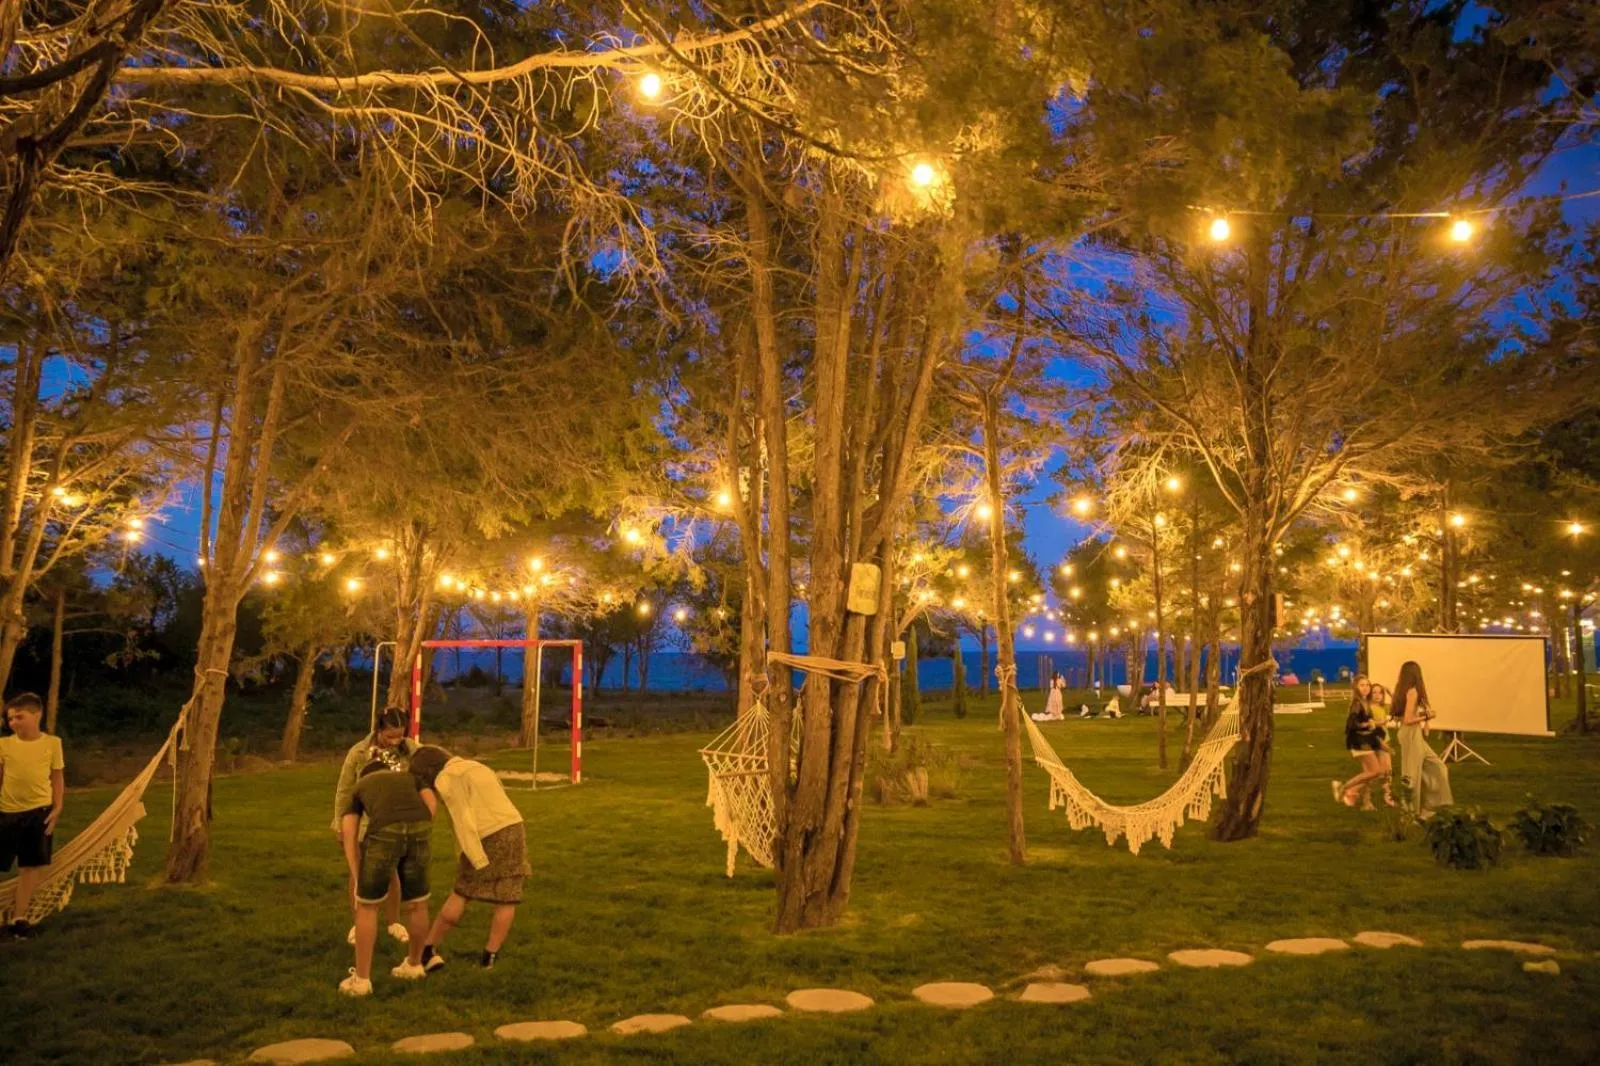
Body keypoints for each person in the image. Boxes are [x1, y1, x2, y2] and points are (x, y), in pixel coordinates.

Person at [408, 746, 529, 971]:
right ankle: (489, 958)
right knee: (507, 896)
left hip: (485, 834)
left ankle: (427, 949)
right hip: (514, 828)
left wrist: (470, 856)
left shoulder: (447, 778)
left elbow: (463, 819)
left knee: (462, 892)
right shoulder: (476, 765)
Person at [338, 761, 435, 996]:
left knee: (367, 907)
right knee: (417, 902)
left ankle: (361, 981)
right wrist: (415, 836)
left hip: (384, 831)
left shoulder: (359, 785)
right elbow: (431, 804)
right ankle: (414, 965)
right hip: (420, 825)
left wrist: (356, 874)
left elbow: (349, 834)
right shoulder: (409, 777)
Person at [332, 707, 419, 946]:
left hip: (391, 822)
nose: (395, 741)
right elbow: (344, 789)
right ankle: (358, 923)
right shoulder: (359, 752)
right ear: (379, 729)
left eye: (399, 735)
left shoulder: (409, 750)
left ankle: (393, 922)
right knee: (358, 872)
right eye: (389, 736)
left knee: (390, 871)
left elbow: (430, 763)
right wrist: (340, 823)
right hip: (361, 822)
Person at [0, 693, 65, 939]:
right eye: (9, 719)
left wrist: (58, 808)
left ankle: (19, 918)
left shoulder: (52, 744)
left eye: (19, 717)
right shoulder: (4, 745)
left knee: (29, 867)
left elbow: (57, 777)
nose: (13, 722)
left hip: (39, 814)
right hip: (7, 813)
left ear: (36, 715)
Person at [1392, 660, 1453, 817]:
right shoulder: (1412, 692)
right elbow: (1407, 720)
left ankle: (1427, 806)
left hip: (1412, 733)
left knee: (1438, 767)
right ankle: (1410, 813)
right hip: (1410, 733)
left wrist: (1424, 718)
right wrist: (1426, 715)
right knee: (1412, 774)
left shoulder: (1405, 690)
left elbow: (1408, 716)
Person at [1333, 675, 1387, 809]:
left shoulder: (1364, 702)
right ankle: (1343, 788)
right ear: (1356, 687)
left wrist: (1374, 723)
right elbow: (1352, 724)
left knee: (1371, 773)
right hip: (1359, 741)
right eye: (1362, 685)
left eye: (1367, 685)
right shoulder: (1357, 704)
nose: (1366, 688)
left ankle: (1355, 794)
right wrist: (1367, 724)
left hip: (1365, 740)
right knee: (1375, 771)